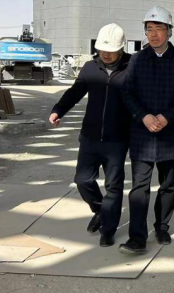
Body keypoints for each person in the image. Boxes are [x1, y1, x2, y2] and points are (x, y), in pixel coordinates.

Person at [119, 6, 174, 255]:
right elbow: (127, 92)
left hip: (170, 133)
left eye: (158, 29)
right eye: (149, 29)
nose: (153, 34)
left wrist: (166, 117)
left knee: (167, 185)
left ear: (169, 31)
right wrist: (143, 116)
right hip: (142, 133)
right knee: (139, 187)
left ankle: (162, 227)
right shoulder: (137, 60)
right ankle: (137, 238)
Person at [48, 24, 131, 247]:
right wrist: (58, 110)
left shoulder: (133, 67)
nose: (106, 54)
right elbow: (74, 92)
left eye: (111, 51)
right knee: (82, 180)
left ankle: (108, 230)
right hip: (90, 136)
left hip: (117, 139)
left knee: (114, 186)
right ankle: (100, 209)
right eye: (102, 49)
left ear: (121, 48)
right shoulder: (90, 68)